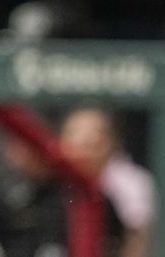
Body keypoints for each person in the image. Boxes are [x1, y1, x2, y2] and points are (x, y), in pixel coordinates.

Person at [59, 107, 156, 257]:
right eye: (76, 134)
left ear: (111, 141)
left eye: (93, 139)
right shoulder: (54, 175)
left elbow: (138, 237)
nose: (85, 142)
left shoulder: (128, 181)